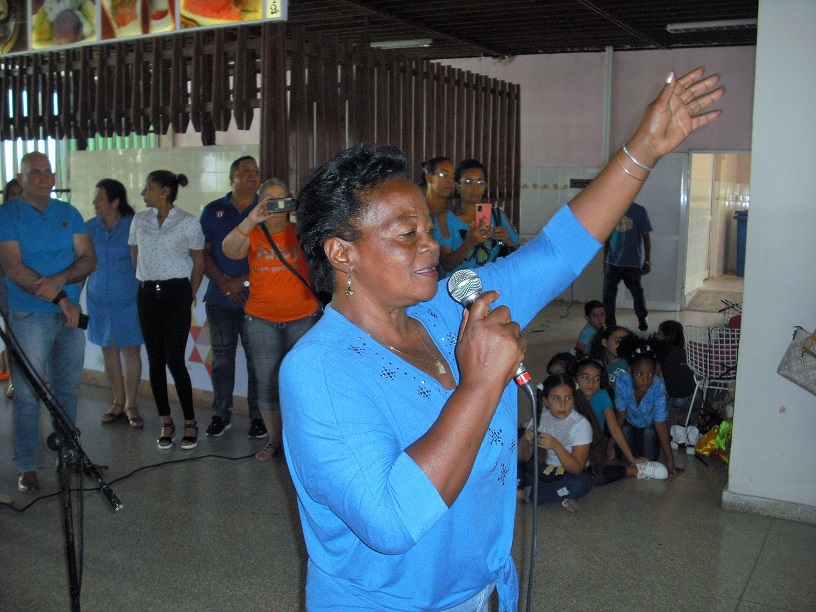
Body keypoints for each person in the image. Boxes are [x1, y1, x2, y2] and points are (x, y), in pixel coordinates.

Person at [278, 67, 724, 609]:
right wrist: (482, 383)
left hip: (479, 591)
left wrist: (642, 150)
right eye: (406, 233)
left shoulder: (450, 304)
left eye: (427, 225)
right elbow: (391, 520)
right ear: (341, 253)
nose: (431, 246)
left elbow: (558, 252)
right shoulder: (319, 369)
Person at [0, 152, 98, 492]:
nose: (43, 178)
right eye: (34, 172)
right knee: (27, 394)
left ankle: (68, 456)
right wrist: (60, 295)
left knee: (67, 389)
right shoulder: (7, 214)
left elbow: (88, 259)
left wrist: (60, 281)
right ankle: (26, 465)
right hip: (30, 316)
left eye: (47, 172)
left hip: (68, 318)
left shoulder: (69, 213)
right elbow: (14, 268)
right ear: (21, 177)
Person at [222, 178, 321, 461]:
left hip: (303, 317)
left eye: (282, 199)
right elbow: (230, 251)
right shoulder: (254, 232)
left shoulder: (301, 230)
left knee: (302, 382)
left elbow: (325, 245)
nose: (277, 205)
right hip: (261, 320)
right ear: (260, 202)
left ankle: (302, 442)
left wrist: (302, 209)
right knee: (267, 383)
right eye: (270, 200)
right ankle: (275, 441)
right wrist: (253, 218)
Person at [129, 170, 204, 451]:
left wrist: (189, 295)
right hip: (148, 293)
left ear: (164, 191)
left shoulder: (187, 222)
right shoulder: (140, 220)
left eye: (148, 188)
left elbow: (199, 263)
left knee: (175, 360)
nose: (143, 193)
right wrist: (148, 279)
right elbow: (135, 257)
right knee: (155, 360)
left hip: (176, 293)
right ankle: (165, 421)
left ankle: (190, 422)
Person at [199, 155, 265, 439]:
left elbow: (269, 255)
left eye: (256, 171)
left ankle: (258, 418)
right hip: (220, 298)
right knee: (223, 360)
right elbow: (204, 253)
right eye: (245, 170)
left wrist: (243, 281)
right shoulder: (213, 210)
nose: (252, 174)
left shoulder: (267, 211)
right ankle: (220, 414)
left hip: (258, 298)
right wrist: (225, 282)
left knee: (257, 361)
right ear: (232, 177)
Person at [85, 179, 144, 429]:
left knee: (130, 350)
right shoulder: (89, 228)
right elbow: (83, 262)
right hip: (98, 299)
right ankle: (117, 402)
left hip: (128, 299)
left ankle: (131, 404)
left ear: (115, 202)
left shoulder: (134, 226)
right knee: (108, 349)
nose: (94, 202)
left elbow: (142, 263)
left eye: (99, 198)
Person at [573, 357, 667, 480]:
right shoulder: (570, 399)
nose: (591, 382)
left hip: (594, 447)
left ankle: (633, 470)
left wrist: (631, 458)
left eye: (596, 378)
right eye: (586, 377)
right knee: (582, 477)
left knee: (593, 475)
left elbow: (615, 428)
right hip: (572, 448)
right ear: (575, 380)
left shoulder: (602, 396)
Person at [518, 373, 594, 512]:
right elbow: (523, 458)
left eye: (568, 398)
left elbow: (577, 468)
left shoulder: (580, 424)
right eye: (556, 399)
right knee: (513, 468)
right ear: (546, 401)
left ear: (574, 399)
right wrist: (524, 439)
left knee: (581, 484)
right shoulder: (540, 418)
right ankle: (558, 494)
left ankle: (525, 494)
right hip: (543, 471)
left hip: (567, 475)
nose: (563, 404)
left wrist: (555, 445)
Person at [433, 158, 519, 276]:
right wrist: (468, 243)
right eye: (468, 182)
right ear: (457, 186)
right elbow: (446, 265)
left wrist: (506, 240)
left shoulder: (498, 216)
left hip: (491, 283)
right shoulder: (444, 219)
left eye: (480, 182)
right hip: (458, 288)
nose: (475, 188)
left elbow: (518, 251)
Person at [614, 335, 682, 476]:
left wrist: (670, 461)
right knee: (624, 455)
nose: (646, 380)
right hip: (629, 423)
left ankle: (639, 444)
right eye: (640, 374)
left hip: (649, 426)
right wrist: (610, 447)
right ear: (630, 370)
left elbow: (660, 423)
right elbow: (620, 417)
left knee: (650, 458)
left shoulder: (658, 386)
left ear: (656, 370)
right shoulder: (622, 381)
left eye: (651, 374)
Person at [603, 201, 652, 331]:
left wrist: (647, 260)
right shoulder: (611, 210)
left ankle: (642, 318)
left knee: (637, 293)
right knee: (608, 295)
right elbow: (607, 238)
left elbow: (646, 236)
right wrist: (605, 261)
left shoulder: (639, 210)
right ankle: (610, 324)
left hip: (632, 262)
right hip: (612, 262)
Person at [1, 178, 23, 398]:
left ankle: (35, 379)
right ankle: (14, 380)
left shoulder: (33, 219)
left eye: (19, 193)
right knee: (11, 335)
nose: (15, 197)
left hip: (30, 285)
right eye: (11, 193)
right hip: (6, 284)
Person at [652, 320, 697, 425]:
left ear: (666, 337)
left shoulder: (662, 355)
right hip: (693, 397)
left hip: (674, 399)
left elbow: (655, 376)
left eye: (659, 334)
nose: (657, 336)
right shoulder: (686, 354)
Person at [589, 324, 631, 390]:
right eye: (618, 341)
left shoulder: (630, 364)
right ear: (605, 342)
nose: (622, 345)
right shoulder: (594, 364)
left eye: (626, 342)